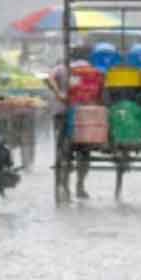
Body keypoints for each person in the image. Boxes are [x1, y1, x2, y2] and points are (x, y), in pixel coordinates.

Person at [45, 44, 93, 200]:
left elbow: (49, 78)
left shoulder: (62, 68)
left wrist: (59, 93)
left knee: (63, 151)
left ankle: (65, 185)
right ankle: (80, 185)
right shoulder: (91, 69)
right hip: (85, 114)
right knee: (84, 152)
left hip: (63, 113)